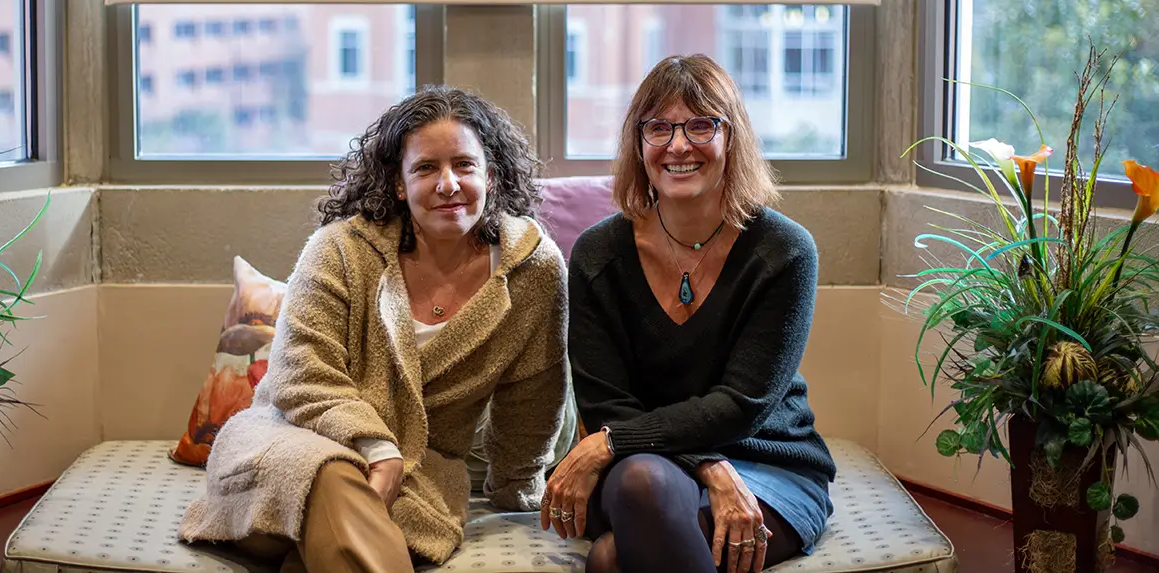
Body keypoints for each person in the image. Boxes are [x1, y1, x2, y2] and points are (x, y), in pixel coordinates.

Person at [178, 86, 572, 573]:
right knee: (332, 472)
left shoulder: (535, 270)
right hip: (284, 447)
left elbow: (533, 396)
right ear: (399, 184)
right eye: (426, 167)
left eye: (464, 165)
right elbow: (299, 373)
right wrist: (377, 448)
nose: (448, 184)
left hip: (417, 478)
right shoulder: (340, 250)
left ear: (490, 176)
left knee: (318, 555)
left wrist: (516, 489)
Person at [541, 54, 836, 573]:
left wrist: (611, 443)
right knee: (643, 481)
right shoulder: (597, 255)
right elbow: (605, 402)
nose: (678, 146)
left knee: (612, 561)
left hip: (767, 459)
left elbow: (742, 405)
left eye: (701, 125)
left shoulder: (785, 251)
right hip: (636, 462)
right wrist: (708, 467)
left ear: (732, 137)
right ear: (639, 144)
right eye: (659, 128)